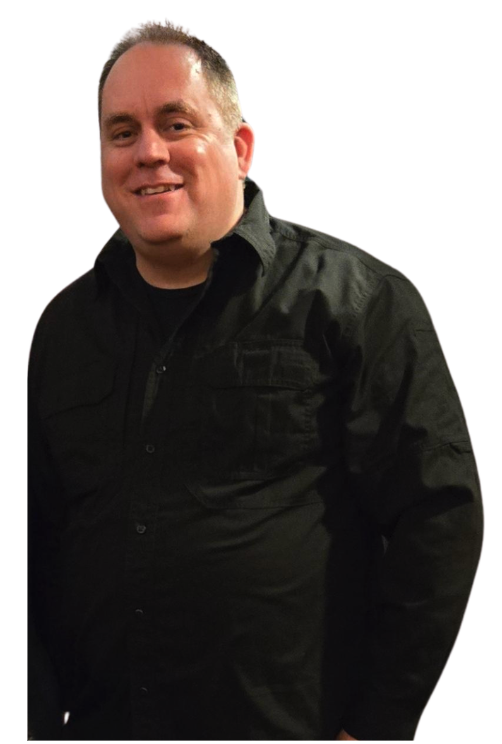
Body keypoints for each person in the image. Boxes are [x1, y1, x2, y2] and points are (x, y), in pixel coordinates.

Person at [28, 21, 483, 741]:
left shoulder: (355, 303)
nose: (148, 152)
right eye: (122, 132)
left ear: (238, 148)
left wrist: (375, 729)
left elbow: (439, 517)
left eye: (176, 123)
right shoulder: (64, 329)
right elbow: (34, 544)